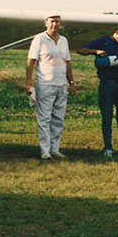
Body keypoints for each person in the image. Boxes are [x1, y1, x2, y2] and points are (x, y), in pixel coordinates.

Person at [77, 22, 118, 159]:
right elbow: (80, 50)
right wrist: (95, 51)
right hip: (106, 83)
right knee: (107, 116)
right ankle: (108, 148)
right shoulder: (102, 42)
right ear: (116, 32)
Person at [25, 14, 76, 160]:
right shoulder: (39, 39)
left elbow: (67, 62)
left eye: (57, 21)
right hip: (45, 84)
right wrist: (28, 82)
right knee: (44, 119)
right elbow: (31, 61)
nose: (55, 24)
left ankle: (55, 149)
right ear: (46, 23)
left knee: (58, 118)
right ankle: (45, 151)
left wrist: (71, 82)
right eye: (52, 21)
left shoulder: (63, 40)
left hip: (61, 85)